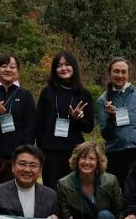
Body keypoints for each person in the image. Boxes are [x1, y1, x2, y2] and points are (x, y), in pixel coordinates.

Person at [35, 51, 94, 188]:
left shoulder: (84, 94)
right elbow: (39, 123)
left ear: (74, 67)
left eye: (67, 65)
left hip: (74, 151)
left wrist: (78, 118)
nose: (63, 68)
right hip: (50, 151)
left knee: (73, 189)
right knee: (51, 188)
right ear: (54, 70)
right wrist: (40, 148)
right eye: (59, 65)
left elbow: (89, 127)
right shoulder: (47, 92)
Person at [96, 57, 136, 185]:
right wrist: (111, 118)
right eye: (116, 71)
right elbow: (105, 135)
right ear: (110, 74)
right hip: (116, 154)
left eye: (123, 72)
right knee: (120, 193)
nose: (120, 75)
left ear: (128, 75)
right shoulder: (103, 100)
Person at [0, 145, 59, 219]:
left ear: (40, 170)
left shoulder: (51, 196)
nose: (27, 169)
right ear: (13, 166)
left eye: (33, 165)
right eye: (22, 164)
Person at [56, 141, 123, 219]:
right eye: (83, 157)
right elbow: (65, 216)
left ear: (98, 162)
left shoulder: (111, 181)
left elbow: (119, 211)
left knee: (104, 215)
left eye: (91, 158)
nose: (87, 162)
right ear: (77, 160)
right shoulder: (63, 184)